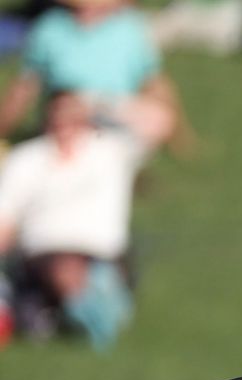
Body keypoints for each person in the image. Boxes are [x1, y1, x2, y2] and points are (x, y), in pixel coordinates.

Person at [0, 88, 139, 348]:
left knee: (75, 271)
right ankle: (96, 319)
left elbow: (145, 124)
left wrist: (97, 108)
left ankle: (95, 315)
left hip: (101, 252)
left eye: (72, 114)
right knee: (64, 269)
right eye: (58, 113)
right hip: (42, 254)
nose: (64, 122)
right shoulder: (25, 159)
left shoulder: (110, 150)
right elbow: (4, 220)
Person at [0, 0, 188, 152]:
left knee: (152, 118)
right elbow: (26, 85)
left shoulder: (129, 28)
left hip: (114, 109)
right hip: (66, 103)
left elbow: (153, 80)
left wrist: (179, 133)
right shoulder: (51, 27)